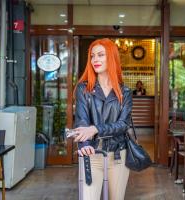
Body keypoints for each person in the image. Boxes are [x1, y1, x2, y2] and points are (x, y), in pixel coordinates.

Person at [67, 38, 132, 200]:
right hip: (92, 155)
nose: (95, 59)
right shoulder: (84, 88)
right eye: (92, 56)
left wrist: (95, 129)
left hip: (118, 155)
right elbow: (81, 121)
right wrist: (84, 144)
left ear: (112, 57)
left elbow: (124, 124)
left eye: (101, 55)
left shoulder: (125, 91)